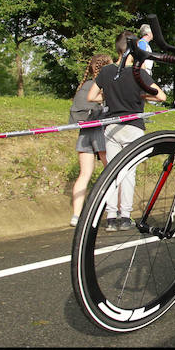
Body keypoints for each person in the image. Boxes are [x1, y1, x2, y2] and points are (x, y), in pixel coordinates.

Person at [87, 30, 167, 231]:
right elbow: (161, 97)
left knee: (112, 171)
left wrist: (108, 98)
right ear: (133, 49)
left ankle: (111, 217)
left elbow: (91, 96)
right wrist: (141, 96)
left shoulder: (106, 71)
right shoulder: (139, 73)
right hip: (133, 126)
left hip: (111, 126)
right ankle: (125, 216)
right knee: (128, 173)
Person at [69, 53, 112, 226]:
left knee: (84, 174)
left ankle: (76, 215)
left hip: (84, 132)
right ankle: (112, 212)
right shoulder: (104, 84)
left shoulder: (84, 86)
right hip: (101, 131)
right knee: (112, 171)